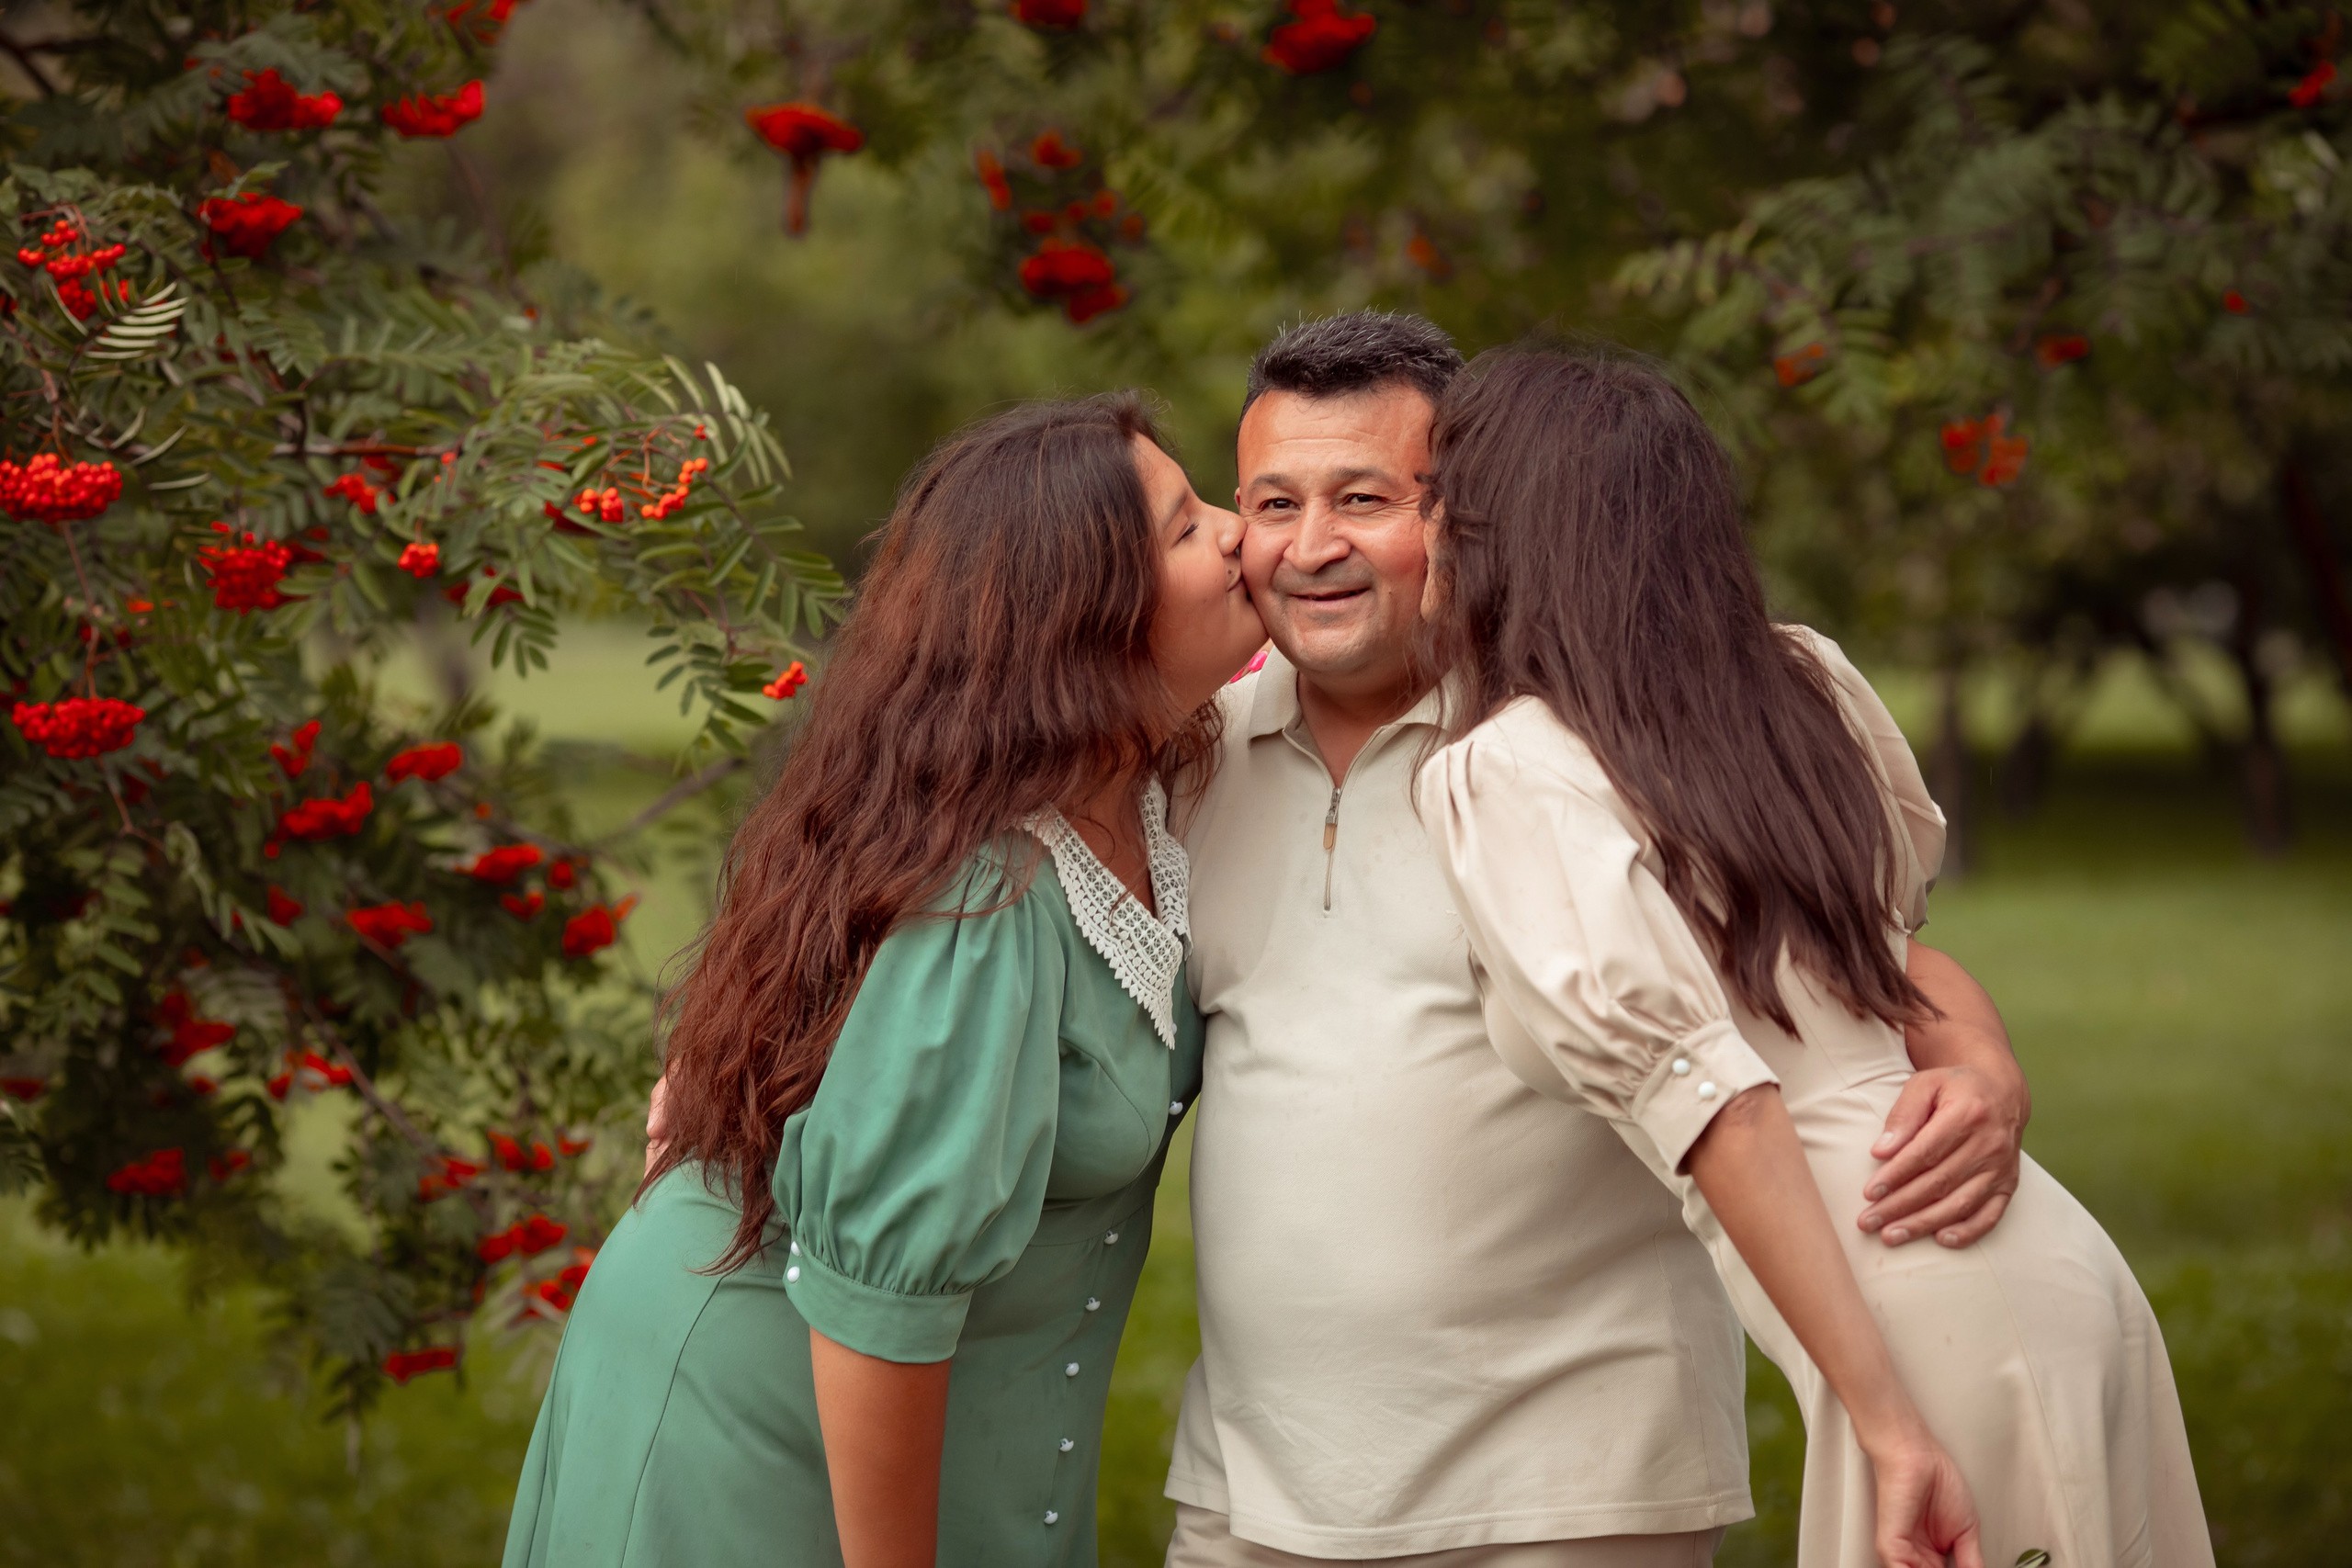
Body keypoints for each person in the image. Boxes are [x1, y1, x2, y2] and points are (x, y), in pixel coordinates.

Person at [1163, 313, 2036, 1567]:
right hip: (1249, 1493)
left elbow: (1858, 958)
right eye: (1273, 503)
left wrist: (1982, 1060)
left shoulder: (1587, 744)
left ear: (1463, 516)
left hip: (1573, 1493)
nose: (1311, 548)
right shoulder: (1189, 760)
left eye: (1364, 498)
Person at [1414, 346, 2214, 1568]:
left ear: (1499, 531)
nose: (1422, 527)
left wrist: (1886, 1422)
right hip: (2048, 1262)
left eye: (1437, 496)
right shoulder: (1793, 684)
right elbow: (1883, 962)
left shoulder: (1508, 767)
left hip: (1912, 1318)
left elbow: (1724, 1103)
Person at [504, 392, 1267, 1568]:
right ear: (1089, 624)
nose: (1236, 531)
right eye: (1185, 525)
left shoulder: (1149, 783)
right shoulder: (991, 897)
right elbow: (879, 1309)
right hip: (756, 1430)